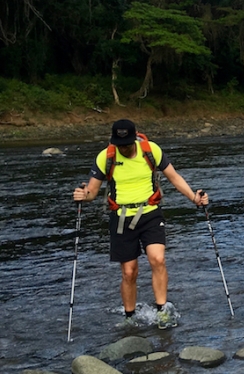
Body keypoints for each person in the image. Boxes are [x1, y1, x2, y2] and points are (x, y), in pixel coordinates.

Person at [72, 119, 208, 329]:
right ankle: (130, 317)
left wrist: (194, 198)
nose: (123, 148)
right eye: (119, 144)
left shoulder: (151, 150)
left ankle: (162, 311)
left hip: (150, 213)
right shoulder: (106, 157)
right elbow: (92, 192)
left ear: (135, 138)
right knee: (129, 272)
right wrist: (83, 195)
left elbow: (174, 177)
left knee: (158, 259)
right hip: (121, 218)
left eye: (126, 144)